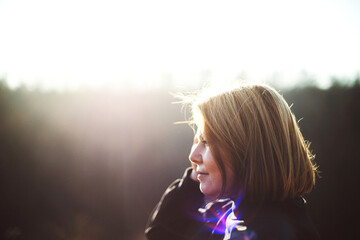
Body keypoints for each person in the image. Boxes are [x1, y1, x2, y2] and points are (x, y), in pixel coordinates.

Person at [145, 82, 320, 240]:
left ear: (246, 150)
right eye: (196, 142)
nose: (193, 156)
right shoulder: (241, 218)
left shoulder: (262, 231)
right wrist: (198, 175)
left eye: (206, 142)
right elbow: (162, 234)